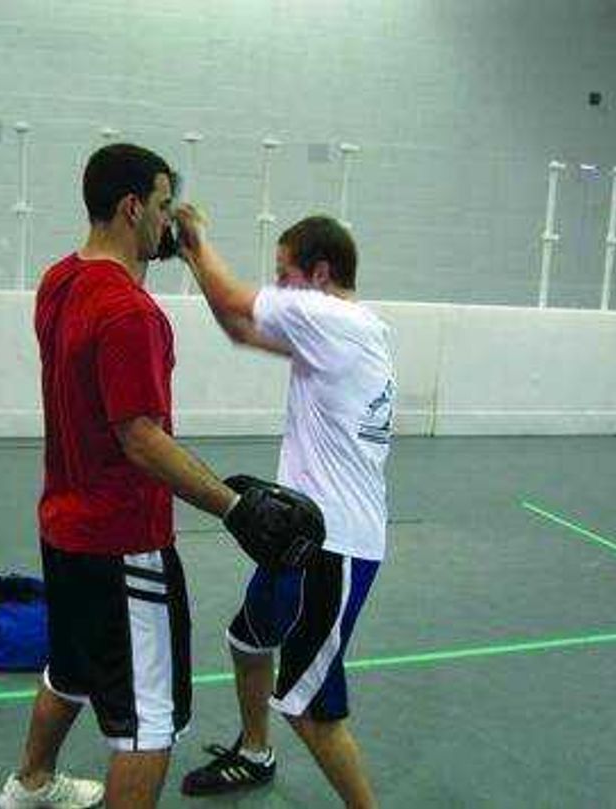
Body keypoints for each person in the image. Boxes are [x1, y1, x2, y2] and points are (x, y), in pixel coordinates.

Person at [0, 144, 323, 809]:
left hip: (63, 526)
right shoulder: (132, 314)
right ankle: (35, 782)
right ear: (132, 206)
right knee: (147, 724)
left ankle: (29, 782)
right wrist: (235, 507)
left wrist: (176, 245)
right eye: (164, 206)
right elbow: (140, 437)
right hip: (123, 541)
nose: (170, 221)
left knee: (75, 665)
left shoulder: (60, 280)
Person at [174, 208, 394, 809]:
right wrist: (192, 260)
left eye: (285, 273)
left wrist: (196, 240)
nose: (278, 285)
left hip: (335, 547)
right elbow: (241, 330)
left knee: (314, 713)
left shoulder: (326, 315)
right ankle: (253, 753)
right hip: (298, 539)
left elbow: (231, 296)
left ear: (320, 273)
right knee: (249, 641)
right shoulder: (348, 326)